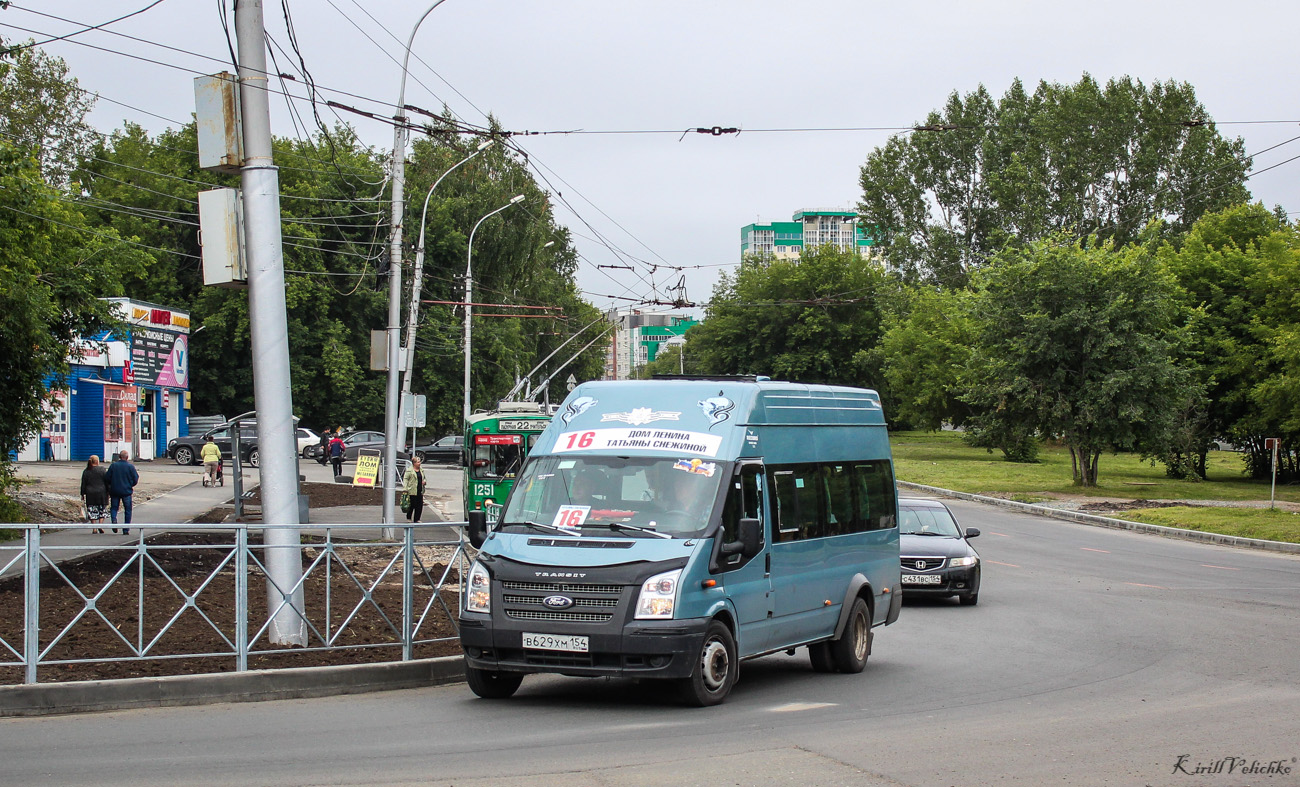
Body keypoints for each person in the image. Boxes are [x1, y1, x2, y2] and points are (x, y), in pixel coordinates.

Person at [103, 450, 139, 535]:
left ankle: (114, 520)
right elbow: (135, 478)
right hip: (126, 491)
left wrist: (111, 485)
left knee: (114, 508)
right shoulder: (130, 467)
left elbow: (107, 478)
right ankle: (126, 529)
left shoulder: (113, 466)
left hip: (115, 490)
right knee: (128, 510)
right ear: (127, 457)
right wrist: (130, 485)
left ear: (119, 457)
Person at [80, 455, 109, 534]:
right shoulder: (102, 470)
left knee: (92, 510)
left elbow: (83, 483)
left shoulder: (86, 471)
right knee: (102, 510)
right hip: (101, 492)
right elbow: (107, 481)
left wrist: (82, 494)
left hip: (90, 493)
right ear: (97, 461)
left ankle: (94, 528)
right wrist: (109, 491)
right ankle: (100, 525)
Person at [402, 457, 426, 523]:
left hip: (420, 490)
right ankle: (409, 517)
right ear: (414, 463)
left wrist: (424, 482)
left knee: (419, 505)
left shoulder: (421, 470)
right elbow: (405, 479)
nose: (419, 463)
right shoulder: (410, 470)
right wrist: (405, 488)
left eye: (420, 462)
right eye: (418, 462)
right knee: (412, 505)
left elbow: (424, 478)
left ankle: (417, 519)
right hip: (412, 490)